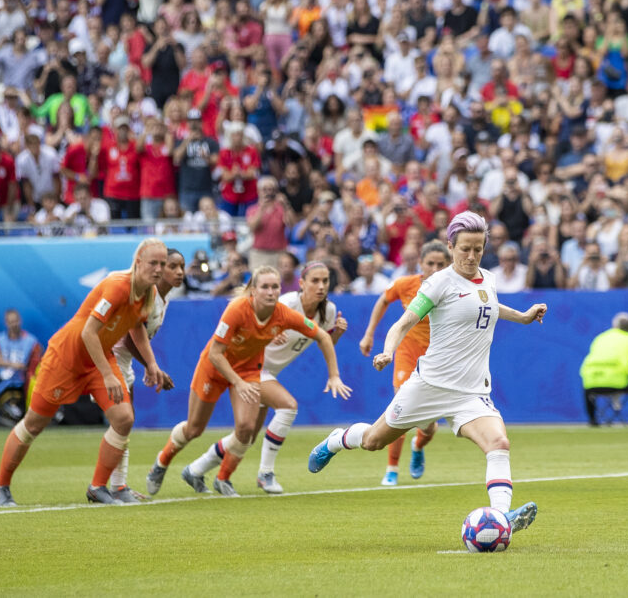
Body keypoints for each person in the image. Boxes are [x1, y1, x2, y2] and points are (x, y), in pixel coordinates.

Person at [306, 212, 545, 536]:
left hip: (471, 392)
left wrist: (524, 316)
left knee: (499, 442)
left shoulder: (487, 278)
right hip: (429, 385)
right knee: (375, 441)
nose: (472, 256)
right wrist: (388, 350)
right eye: (465, 249)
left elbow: (488, 306)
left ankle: (502, 518)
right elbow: (402, 323)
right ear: (451, 246)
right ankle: (337, 440)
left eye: (478, 248)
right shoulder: (438, 283)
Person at [0, 239, 171, 506]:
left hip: (99, 356)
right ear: (138, 263)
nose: (158, 269)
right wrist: (108, 375)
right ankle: (0, 485)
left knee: (123, 418)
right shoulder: (118, 286)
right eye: (153, 263)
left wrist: (151, 364)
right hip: (67, 357)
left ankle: (98, 487)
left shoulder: (149, 293)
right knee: (34, 424)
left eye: (162, 264)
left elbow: (136, 329)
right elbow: (88, 331)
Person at [146, 265, 346, 497]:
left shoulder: (286, 313)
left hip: (251, 370)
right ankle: (161, 463)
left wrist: (334, 375)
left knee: (246, 430)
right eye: (265, 287)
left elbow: (322, 336)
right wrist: (237, 383)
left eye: (275, 287)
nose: (271, 292)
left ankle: (220, 477)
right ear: (253, 290)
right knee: (194, 429)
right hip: (215, 368)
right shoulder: (238, 309)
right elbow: (215, 353)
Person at [359, 240, 451, 486]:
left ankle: (418, 445)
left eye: (441, 264)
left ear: (449, 265)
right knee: (400, 409)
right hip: (408, 354)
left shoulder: (454, 289)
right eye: (430, 263)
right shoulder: (405, 284)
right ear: (421, 264)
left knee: (429, 427)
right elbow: (383, 300)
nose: (435, 268)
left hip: (436, 360)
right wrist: (369, 334)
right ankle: (392, 468)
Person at [107, 248, 186, 503]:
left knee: (124, 423)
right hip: (109, 359)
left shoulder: (162, 300)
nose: (179, 272)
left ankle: (118, 486)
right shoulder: (148, 295)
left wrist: (148, 366)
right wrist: (153, 367)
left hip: (123, 363)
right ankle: (114, 487)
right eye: (172, 266)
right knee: (123, 421)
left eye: (182, 267)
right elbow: (130, 338)